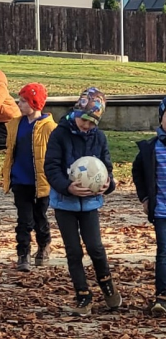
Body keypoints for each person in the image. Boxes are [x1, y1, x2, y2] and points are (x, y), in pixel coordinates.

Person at [44, 87, 121, 316]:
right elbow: (51, 167)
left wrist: (109, 184)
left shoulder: (99, 137)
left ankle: (107, 285)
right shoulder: (60, 134)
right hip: (64, 203)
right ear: (77, 112)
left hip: (90, 203)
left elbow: (106, 167)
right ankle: (83, 295)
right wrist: (66, 186)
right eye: (84, 120)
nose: (86, 126)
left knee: (96, 247)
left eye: (92, 123)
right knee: (74, 251)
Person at [3, 83, 57, 272]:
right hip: (20, 179)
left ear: (34, 103)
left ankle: (44, 245)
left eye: (24, 101)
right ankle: (23, 253)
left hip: (41, 182)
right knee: (24, 220)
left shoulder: (49, 127)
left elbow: (57, 153)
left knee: (39, 217)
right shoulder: (15, 124)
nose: (19, 104)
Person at [132, 97, 166, 315]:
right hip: (162, 210)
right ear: (161, 118)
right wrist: (144, 198)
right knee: (163, 253)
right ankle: (162, 297)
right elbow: (138, 172)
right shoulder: (151, 148)